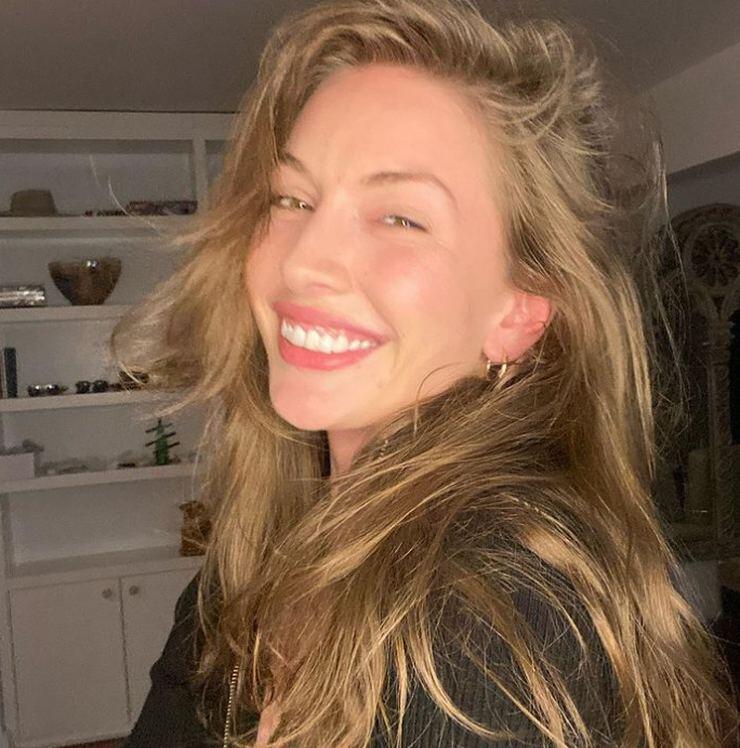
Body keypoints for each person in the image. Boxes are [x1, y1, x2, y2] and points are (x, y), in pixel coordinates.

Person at [116, 0, 739, 746]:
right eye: (293, 199)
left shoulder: (496, 615)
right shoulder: (249, 564)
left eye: (400, 218)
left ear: (519, 312)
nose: (303, 260)